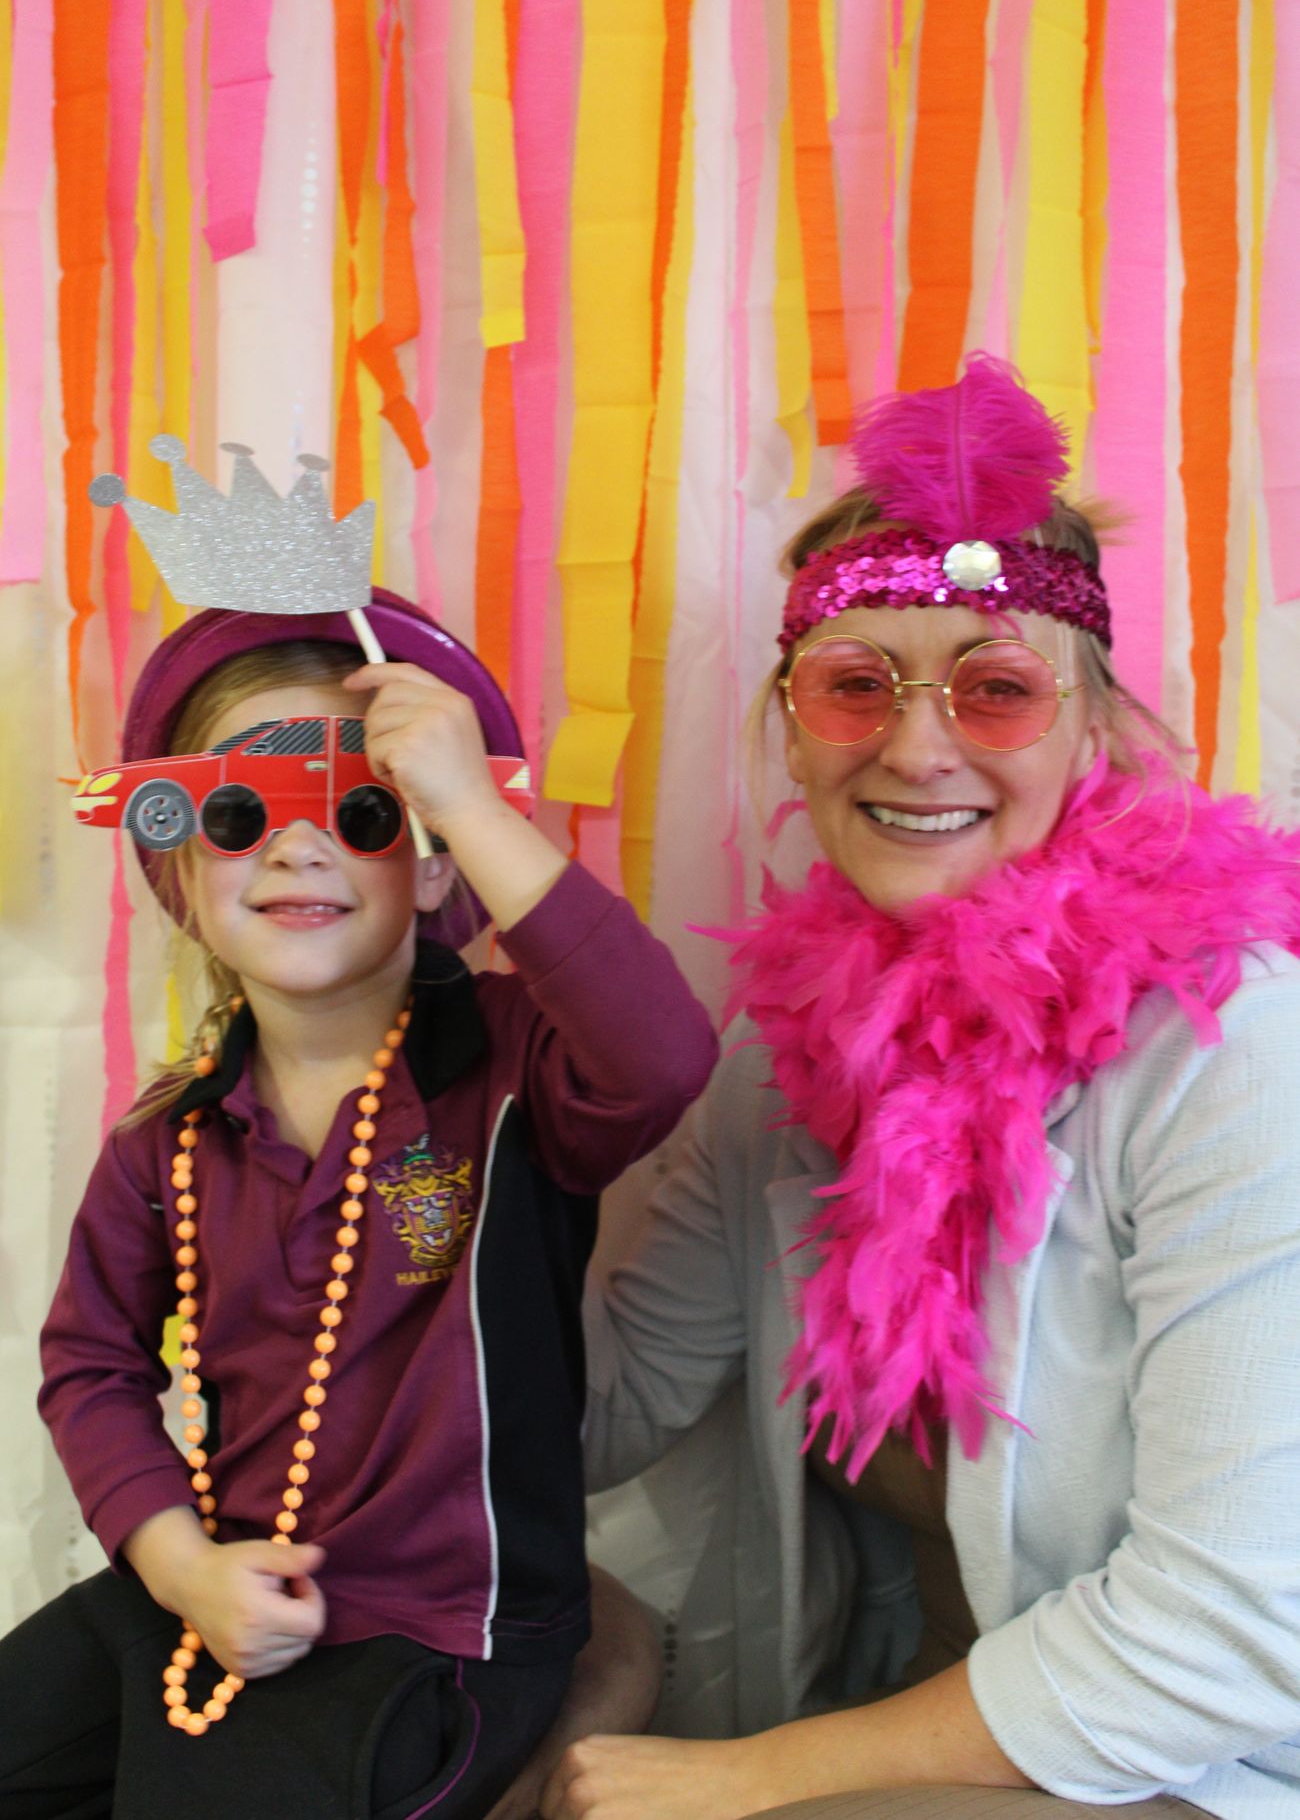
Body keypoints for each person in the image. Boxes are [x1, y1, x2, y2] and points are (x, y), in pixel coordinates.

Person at [547, 357, 1300, 1820]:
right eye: (854, 686)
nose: (915, 745)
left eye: (996, 691)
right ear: (791, 722)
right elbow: (605, 1414)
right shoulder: (782, 1068)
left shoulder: (1234, 1052)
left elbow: (1235, 1626)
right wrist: (404, 1156)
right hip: (910, 1717)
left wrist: (746, 1778)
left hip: (1205, 1764)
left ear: (1094, 729)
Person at [0, 588, 717, 1820]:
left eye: (364, 811)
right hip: (206, 1589)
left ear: (435, 865)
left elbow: (660, 1057)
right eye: (241, 814)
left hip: (440, 1636)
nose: (296, 848)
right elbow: (90, 1368)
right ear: (180, 867)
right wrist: (179, 1565)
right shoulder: (166, 1139)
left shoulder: (515, 1069)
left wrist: (468, 806)